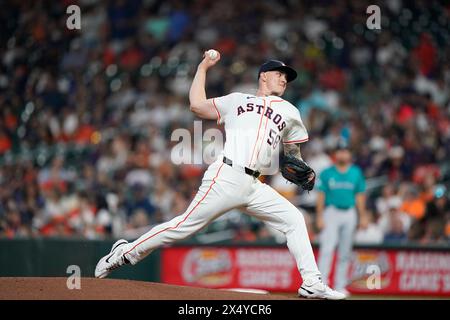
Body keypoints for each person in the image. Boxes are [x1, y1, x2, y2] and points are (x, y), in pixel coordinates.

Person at [94, 50, 345, 299]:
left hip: (255, 184)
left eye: (286, 77)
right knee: (183, 227)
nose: (284, 79)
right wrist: (203, 67)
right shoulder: (237, 100)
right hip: (226, 175)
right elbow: (197, 106)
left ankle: (312, 282)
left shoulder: (290, 111)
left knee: (294, 219)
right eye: (279, 74)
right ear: (263, 76)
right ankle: (125, 252)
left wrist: (302, 169)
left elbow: (293, 152)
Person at [315, 142, 368, 297]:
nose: (343, 154)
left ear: (350, 154)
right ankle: (321, 284)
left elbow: (360, 195)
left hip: (349, 212)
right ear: (335, 154)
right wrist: (319, 216)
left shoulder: (356, 172)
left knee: (345, 251)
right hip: (331, 211)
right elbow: (320, 195)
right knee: (327, 249)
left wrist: (363, 216)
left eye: (345, 151)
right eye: (340, 151)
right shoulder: (327, 173)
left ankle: (340, 285)